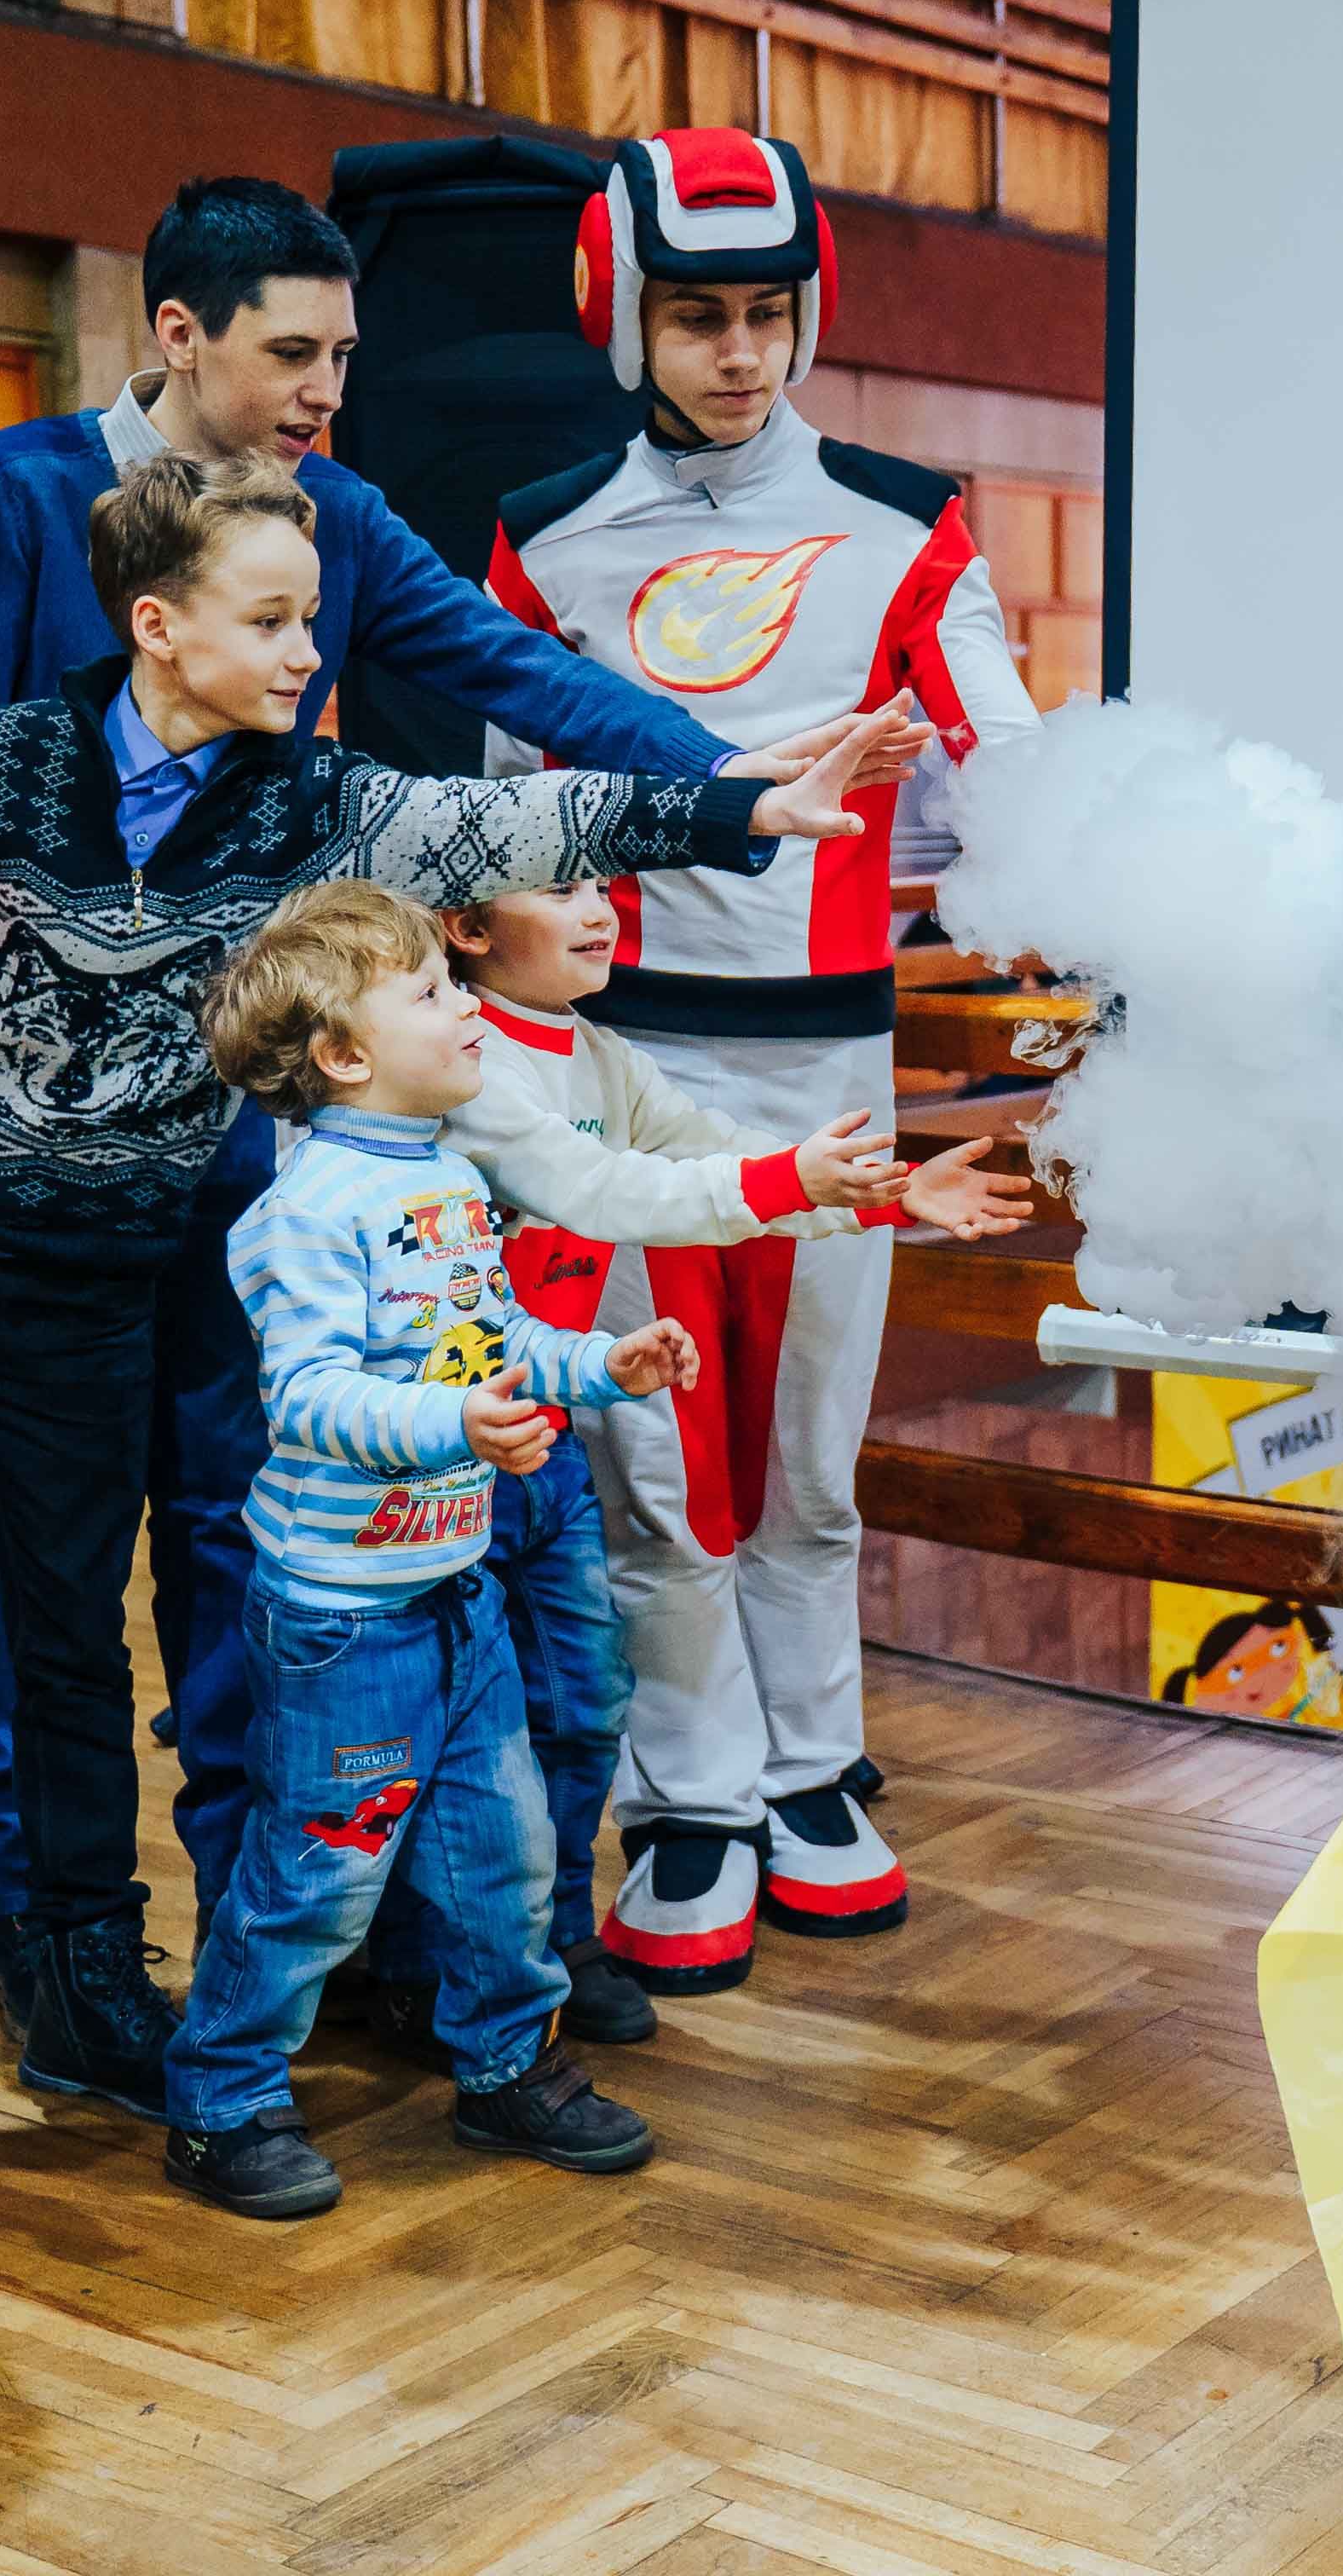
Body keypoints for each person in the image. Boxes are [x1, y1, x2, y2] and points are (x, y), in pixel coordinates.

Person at [0, 452, 903, 2128]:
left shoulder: (316, 796)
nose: (310, 652)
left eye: (311, 618)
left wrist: (740, 808)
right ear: (158, 625)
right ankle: (69, 1960)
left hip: (184, 1238)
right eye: (271, 620)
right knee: (52, 1621)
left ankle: (303, 1955)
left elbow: (518, 821)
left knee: (223, 1594)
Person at [485, 127, 1043, 1991]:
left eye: (767, 310)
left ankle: (811, 1771)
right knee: (656, 1454)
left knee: (808, 1456)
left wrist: (1084, 882)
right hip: (622, 1059)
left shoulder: (908, 520)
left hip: (830, 1067)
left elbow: (1015, 774)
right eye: (696, 314)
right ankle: (693, 1795)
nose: (740, 351)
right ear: (623, 314)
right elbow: (508, 822)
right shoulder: (545, 536)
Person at [369, 876, 1032, 2032]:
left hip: (538, 1446)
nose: (597, 909)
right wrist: (795, 1181)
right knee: (449, 1723)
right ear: (467, 932)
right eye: (559, 889)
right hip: (434, 1456)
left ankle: (547, 1943)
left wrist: (883, 1196)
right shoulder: (470, 1060)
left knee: (576, 1711)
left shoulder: (599, 1053)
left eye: (599, 883)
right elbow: (604, 1186)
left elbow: (706, 1148)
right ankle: (381, 1982)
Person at [164, 880, 696, 2218]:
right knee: (320, 1873)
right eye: (431, 993)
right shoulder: (305, 1210)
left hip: (453, 1590)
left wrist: (601, 1365)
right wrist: (453, 1424)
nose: (467, 1010)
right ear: (343, 1056)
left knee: (502, 1854)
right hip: (345, 1619)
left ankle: (508, 2065)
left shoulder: (449, 1181)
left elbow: (488, 1340)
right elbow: (309, 1397)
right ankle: (222, 2100)